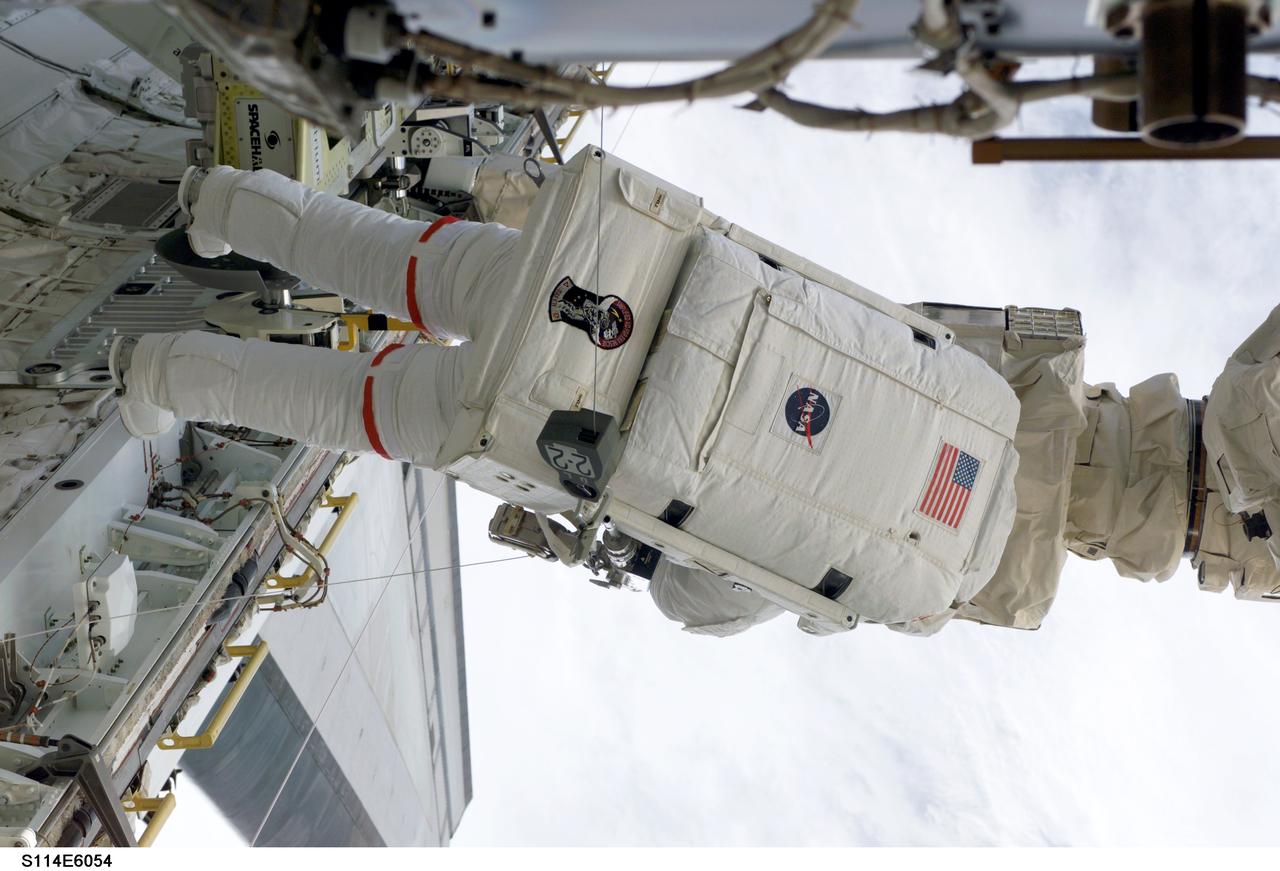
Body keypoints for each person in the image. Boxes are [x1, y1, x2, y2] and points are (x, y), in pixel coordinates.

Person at [111, 164, 1280, 639]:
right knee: (361, 403)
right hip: (576, 426)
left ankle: (223, 203)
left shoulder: (998, 377)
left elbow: (849, 310)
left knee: (413, 261)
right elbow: (711, 589)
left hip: (628, 268)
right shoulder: (946, 570)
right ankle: (161, 372)